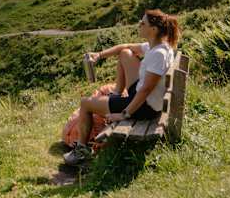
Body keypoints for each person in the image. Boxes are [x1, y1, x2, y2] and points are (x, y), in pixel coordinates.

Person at [63, 9, 181, 165]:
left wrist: (124, 114)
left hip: (144, 108)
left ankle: (82, 152)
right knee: (125, 53)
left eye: (143, 23)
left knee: (85, 103)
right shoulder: (157, 46)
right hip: (144, 98)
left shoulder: (158, 54)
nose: (139, 25)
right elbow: (124, 47)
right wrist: (99, 55)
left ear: (153, 29)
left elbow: (146, 90)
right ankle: (117, 93)